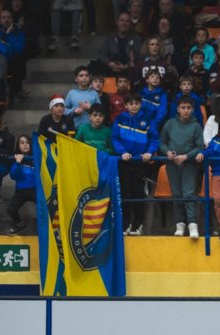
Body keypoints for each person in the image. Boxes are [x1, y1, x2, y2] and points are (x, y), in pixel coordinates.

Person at [112, 94, 160, 236]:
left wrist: (149, 152)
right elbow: (115, 138)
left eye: (137, 103)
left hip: (141, 163)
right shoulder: (120, 119)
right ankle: (126, 225)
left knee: (139, 194)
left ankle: (138, 226)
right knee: (126, 193)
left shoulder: (147, 120)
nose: (134, 106)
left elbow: (154, 139)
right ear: (126, 105)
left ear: (140, 104)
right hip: (125, 162)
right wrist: (122, 152)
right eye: (131, 103)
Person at [160, 97, 205, 239]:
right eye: (183, 108)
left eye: (188, 108)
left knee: (188, 193)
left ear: (193, 110)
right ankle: (179, 224)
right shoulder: (170, 123)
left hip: (189, 164)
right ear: (178, 109)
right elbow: (161, 142)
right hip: (172, 164)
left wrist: (186, 156)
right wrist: (167, 152)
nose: (186, 110)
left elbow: (199, 147)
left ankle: (192, 225)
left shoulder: (196, 126)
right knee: (177, 194)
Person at [0, 9, 27, 100]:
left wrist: (9, 35)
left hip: (11, 62)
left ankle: (17, 90)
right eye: (3, 18)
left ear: (12, 20)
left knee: (19, 58)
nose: (6, 20)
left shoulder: (19, 33)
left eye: (9, 17)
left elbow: (18, 50)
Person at [4, 135, 35, 235]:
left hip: (35, 190)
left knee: (46, 207)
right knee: (11, 210)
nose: (25, 145)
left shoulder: (36, 158)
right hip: (21, 191)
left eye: (27, 143)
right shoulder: (16, 159)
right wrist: (18, 163)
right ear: (18, 146)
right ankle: (19, 224)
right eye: (22, 143)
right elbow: (14, 176)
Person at [96, 12, 142, 77]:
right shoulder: (109, 38)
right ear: (117, 22)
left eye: (127, 21)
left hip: (129, 69)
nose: (124, 23)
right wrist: (109, 63)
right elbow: (102, 54)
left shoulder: (136, 38)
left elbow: (137, 56)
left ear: (130, 24)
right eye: (122, 20)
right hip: (111, 68)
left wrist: (126, 66)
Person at [65, 65, 101, 129]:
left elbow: (100, 111)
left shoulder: (94, 93)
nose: (84, 77)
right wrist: (74, 111)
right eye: (81, 76)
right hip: (75, 128)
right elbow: (64, 110)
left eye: (86, 75)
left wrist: (91, 108)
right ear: (76, 79)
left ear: (89, 78)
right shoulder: (71, 93)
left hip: (92, 128)